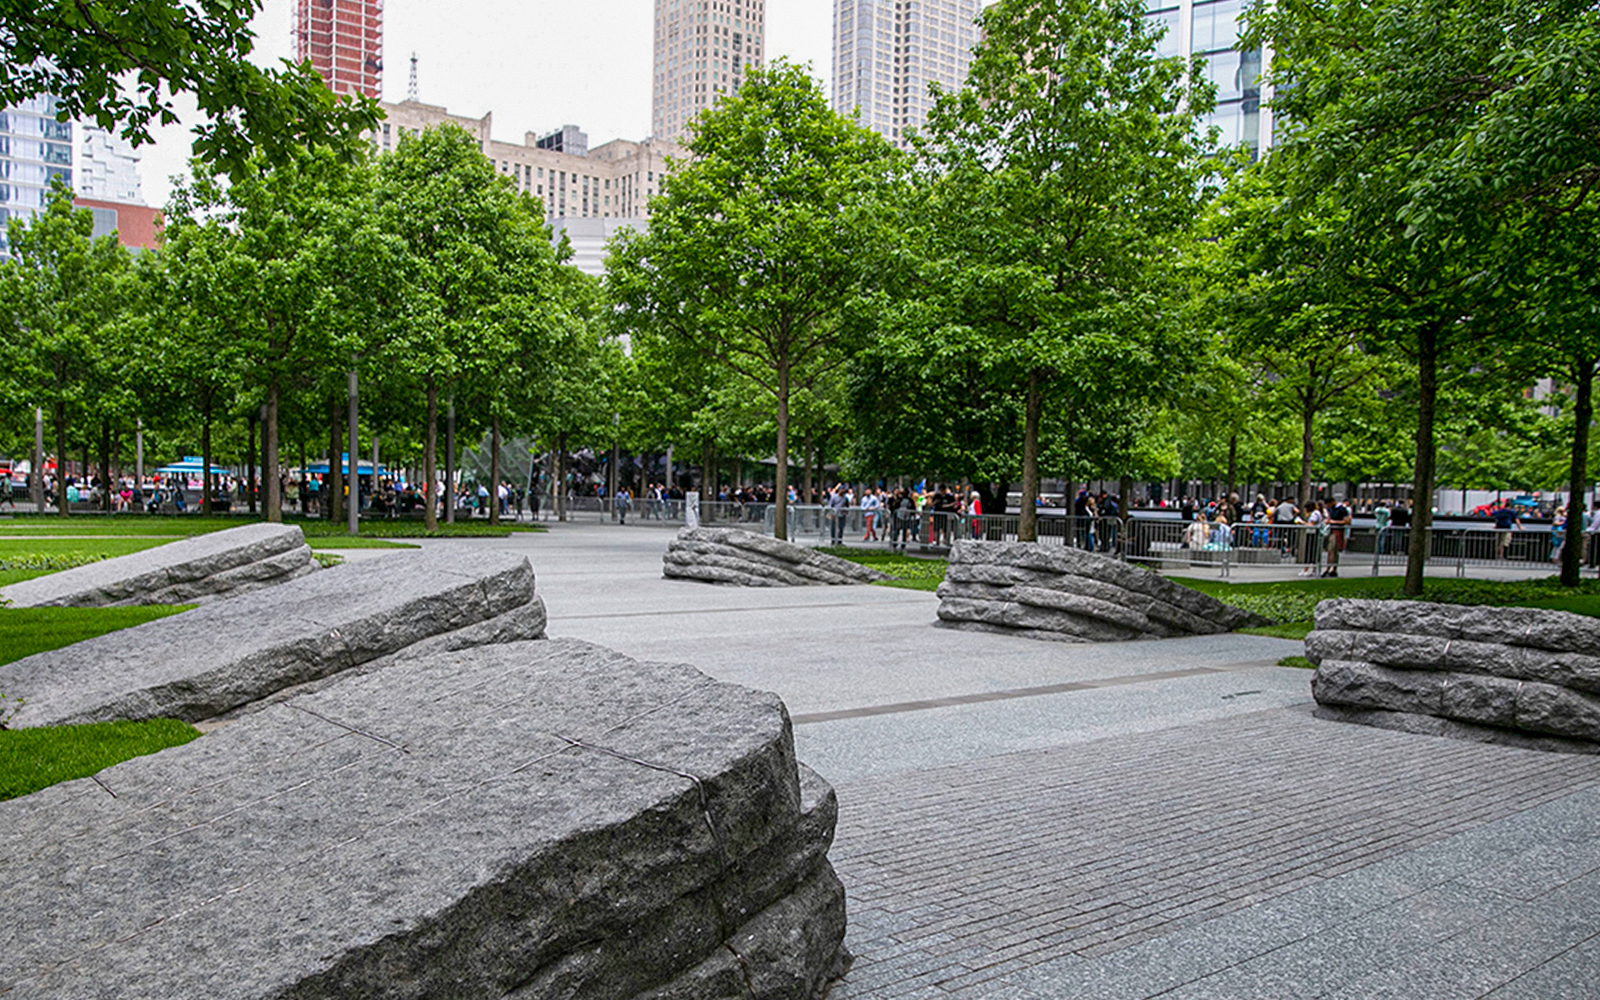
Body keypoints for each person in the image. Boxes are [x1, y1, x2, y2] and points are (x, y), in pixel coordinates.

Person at [1324, 495, 1352, 577]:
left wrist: (1333, 522)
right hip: (1332, 530)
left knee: (1334, 550)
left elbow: (1347, 521)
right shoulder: (1331, 509)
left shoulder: (1342, 509)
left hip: (1338, 531)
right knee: (1331, 550)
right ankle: (1329, 568)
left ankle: (1332, 568)